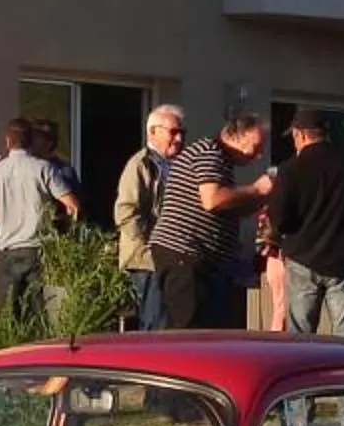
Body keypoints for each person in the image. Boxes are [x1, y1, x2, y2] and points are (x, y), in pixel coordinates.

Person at [149, 111, 269, 330]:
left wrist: (260, 199)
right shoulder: (209, 153)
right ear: (238, 136)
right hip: (185, 256)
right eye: (256, 146)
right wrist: (256, 189)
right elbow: (212, 200)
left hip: (200, 260)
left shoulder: (220, 160)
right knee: (189, 329)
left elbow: (226, 207)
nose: (259, 155)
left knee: (206, 328)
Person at [267, 109, 344, 337]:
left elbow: (279, 219)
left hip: (302, 258)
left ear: (300, 135)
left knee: (300, 337)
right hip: (343, 259)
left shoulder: (290, 169)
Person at [0, 118, 73, 320]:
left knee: (11, 314)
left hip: (10, 250)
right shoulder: (43, 168)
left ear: (8, 141)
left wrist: (7, 208)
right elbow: (72, 204)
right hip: (38, 248)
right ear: (30, 141)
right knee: (40, 313)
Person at [112, 106, 180, 330]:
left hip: (171, 258)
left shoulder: (175, 164)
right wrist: (151, 247)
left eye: (182, 132)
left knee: (171, 324)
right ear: (152, 132)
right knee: (155, 324)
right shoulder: (140, 165)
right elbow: (125, 212)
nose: (179, 139)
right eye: (173, 132)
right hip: (147, 262)